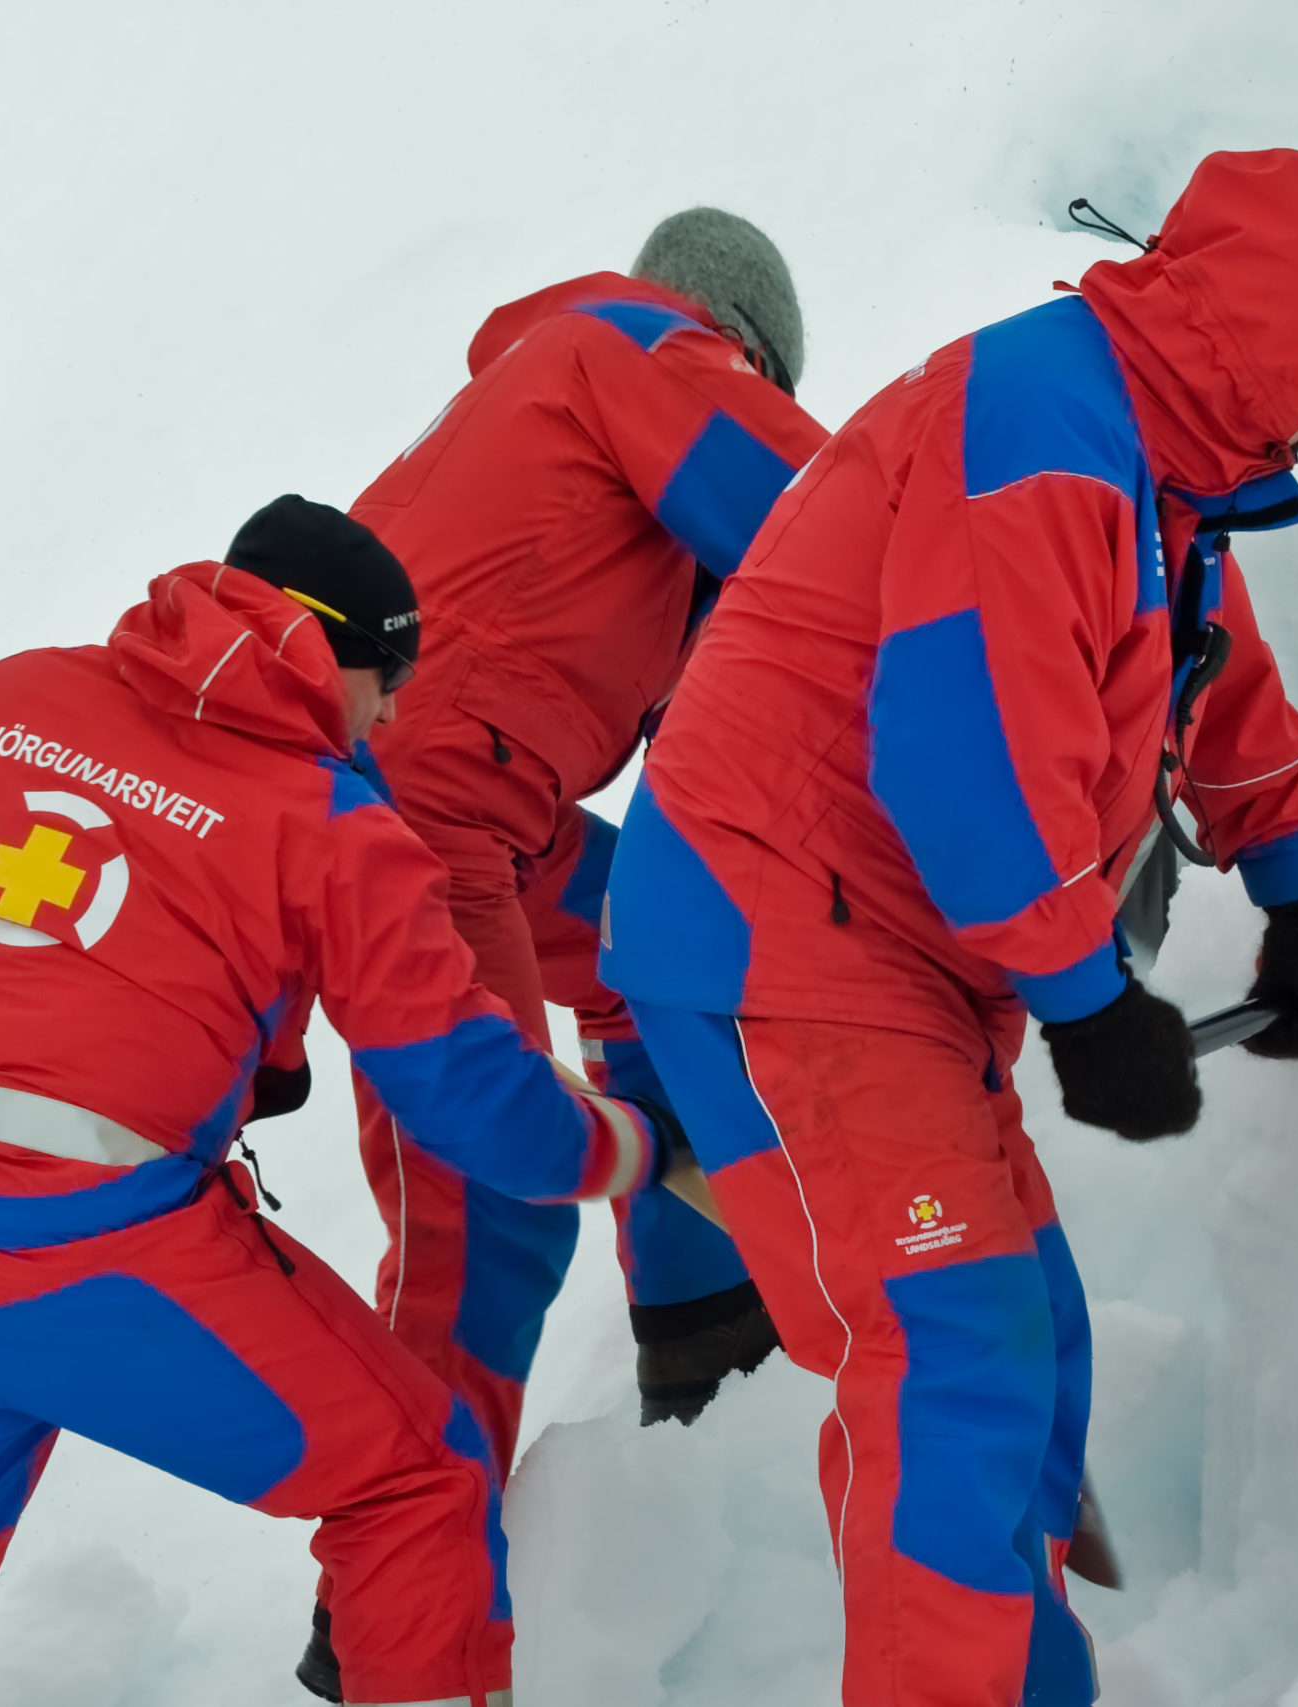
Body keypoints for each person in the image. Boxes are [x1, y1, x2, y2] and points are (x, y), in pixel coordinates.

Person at [599, 148, 1298, 1707]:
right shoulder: (1045, 425)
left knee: (1026, 1340)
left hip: (891, 963)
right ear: (1254, 346)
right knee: (951, 1360)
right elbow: (959, 744)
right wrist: (1083, 992)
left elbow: (1207, 671)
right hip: (782, 943)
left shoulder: (1153, 469)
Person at [0, 498, 658, 1707]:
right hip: (90, 1254)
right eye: (388, 675)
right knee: (417, 1479)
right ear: (327, 651)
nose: (394, 710)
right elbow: (461, 1093)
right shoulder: (331, 820)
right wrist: (619, 1148)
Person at [339, 207, 828, 1488]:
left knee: (665, 950)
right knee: (484, 1187)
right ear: (743, 350)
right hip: (428, 802)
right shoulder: (644, 353)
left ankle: (705, 1335)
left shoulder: (549, 424)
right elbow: (853, 533)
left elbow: (732, 735)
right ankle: (408, 1578)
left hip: (480, 800)